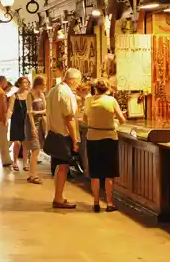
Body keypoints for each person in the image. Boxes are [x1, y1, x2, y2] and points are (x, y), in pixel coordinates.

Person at [84, 78, 126, 212]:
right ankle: (109, 203)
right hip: (109, 137)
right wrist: (114, 123)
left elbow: (85, 119)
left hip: (92, 137)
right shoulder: (111, 101)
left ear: (95, 88)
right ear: (107, 89)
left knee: (95, 173)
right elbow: (122, 119)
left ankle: (96, 203)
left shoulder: (88, 100)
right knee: (109, 173)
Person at [44, 67, 81, 209]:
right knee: (64, 167)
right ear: (72, 80)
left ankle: (58, 196)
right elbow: (69, 118)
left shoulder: (54, 90)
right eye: (78, 81)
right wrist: (75, 139)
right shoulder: (66, 93)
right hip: (63, 134)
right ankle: (58, 198)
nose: (78, 84)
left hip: (54, 132)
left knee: (59, 166)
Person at [7, 77, 34, 173]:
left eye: (27, 82)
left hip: (26, 121)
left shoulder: (29, 95)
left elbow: (32, 108)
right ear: (19, 83)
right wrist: (6, 119)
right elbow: (10, 109)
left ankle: (25, 163)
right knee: (17, 142)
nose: (26, 84)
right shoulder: (14, 96)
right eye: (24, 82)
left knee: (25, 142)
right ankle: (15, 162)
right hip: (16, 121)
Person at [27, 75, 47, 184]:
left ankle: (32, 174)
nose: (44, 86)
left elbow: (46, 109)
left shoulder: (42, 94)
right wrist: (33, 127)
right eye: (43, 84)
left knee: (36, 149)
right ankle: (32, 174)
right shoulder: (30, 94)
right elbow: (29, 112)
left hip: (41, 122)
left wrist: (37, 112)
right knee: (35, 149)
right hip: (32, 124)